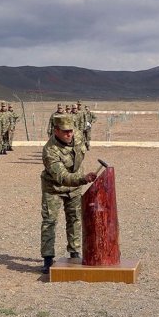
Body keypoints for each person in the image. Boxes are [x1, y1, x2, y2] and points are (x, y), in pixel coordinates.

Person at [40, 114, 97, 274]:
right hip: (54, 189)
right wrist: (83, 179)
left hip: (75, 187)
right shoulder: (50, 151)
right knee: (50, 221)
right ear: (55, 131)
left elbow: (81, 151)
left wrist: (81, 178)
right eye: (65, 131)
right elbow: (62, 177)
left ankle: (74, 252)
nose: (69, 134)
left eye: (71, 130)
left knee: (75, 219)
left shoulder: (78, 136)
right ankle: (48, 258)